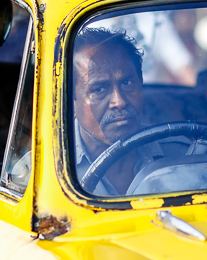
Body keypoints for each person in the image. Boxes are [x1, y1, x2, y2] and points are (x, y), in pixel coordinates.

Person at [72, 27, 186, 195]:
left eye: (127, 83)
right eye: (99, 89)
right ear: (70, 100)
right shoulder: (42, 175)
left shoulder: (181, 155)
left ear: (141, 85)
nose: (119, 102)